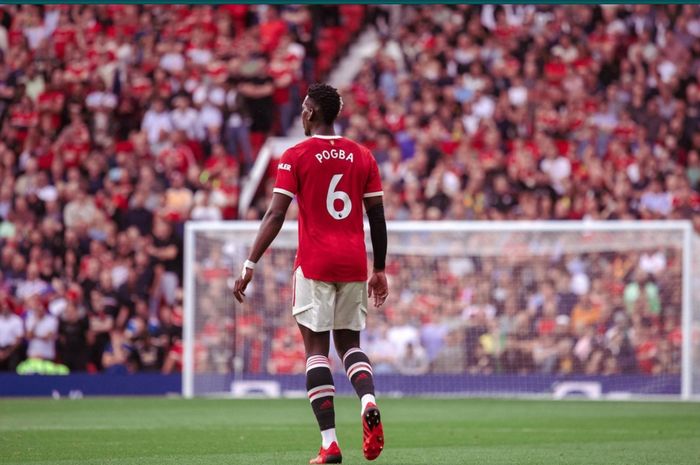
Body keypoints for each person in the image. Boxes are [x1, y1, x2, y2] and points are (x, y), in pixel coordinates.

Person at [234, 83, 388, 464]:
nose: (301, 114)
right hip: (353, 263)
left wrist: (250, 263)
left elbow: (275, 214)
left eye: (304, 109)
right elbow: (378, 218)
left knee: (316, 352)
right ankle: (368, 399)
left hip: (315, 264)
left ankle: (330, 444)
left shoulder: (296, 155)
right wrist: (380, 268)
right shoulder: (362, 155)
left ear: (311, 114)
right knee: (350, 345)